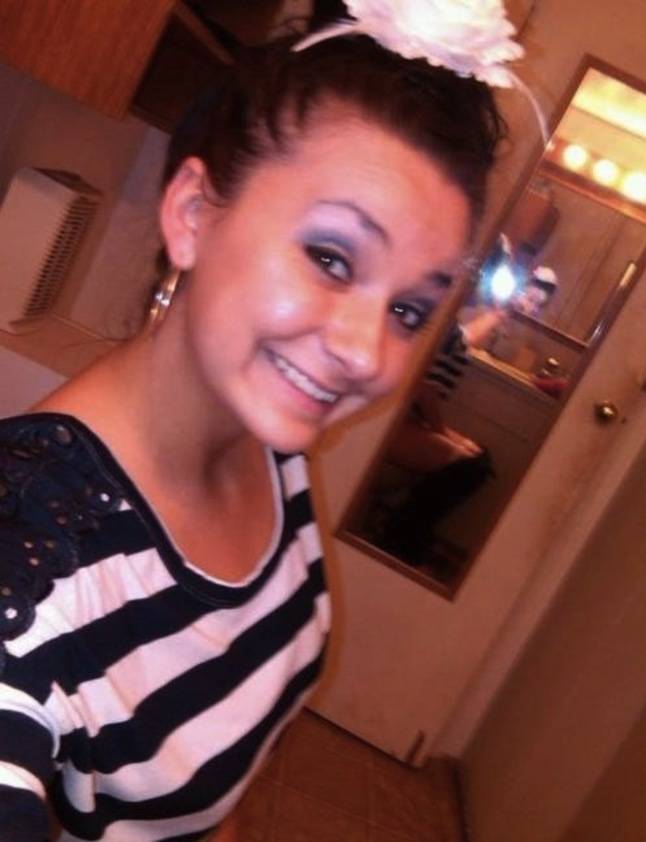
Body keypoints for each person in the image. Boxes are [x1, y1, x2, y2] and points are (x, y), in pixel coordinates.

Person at [0, 2, 518, 838]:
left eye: (410, 311)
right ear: (193, 214)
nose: (365, 353)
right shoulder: (28, 576)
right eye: (331, 258)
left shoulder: (271, 448)